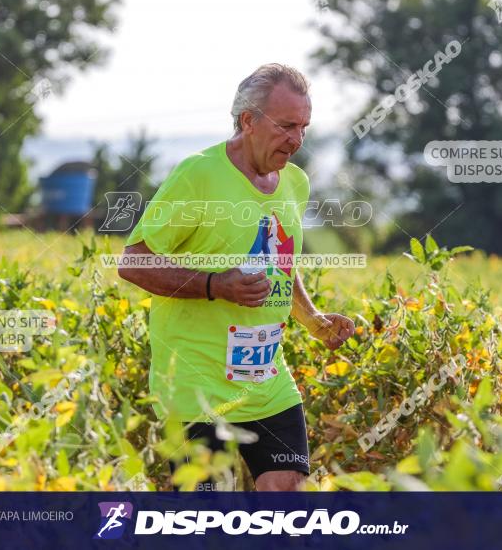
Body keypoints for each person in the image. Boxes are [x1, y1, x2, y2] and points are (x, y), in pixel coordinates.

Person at [118, 63, 355, 491]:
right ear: (248, 120)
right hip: (196, 387)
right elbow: (134, 260)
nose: (297, 140)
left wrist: (314, 320)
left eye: (303, 127)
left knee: (288, 496)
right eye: (286, 126)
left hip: (267, 383)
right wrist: (216, 286)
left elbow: (282, 262)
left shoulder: (294, 184)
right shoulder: (199, 175)